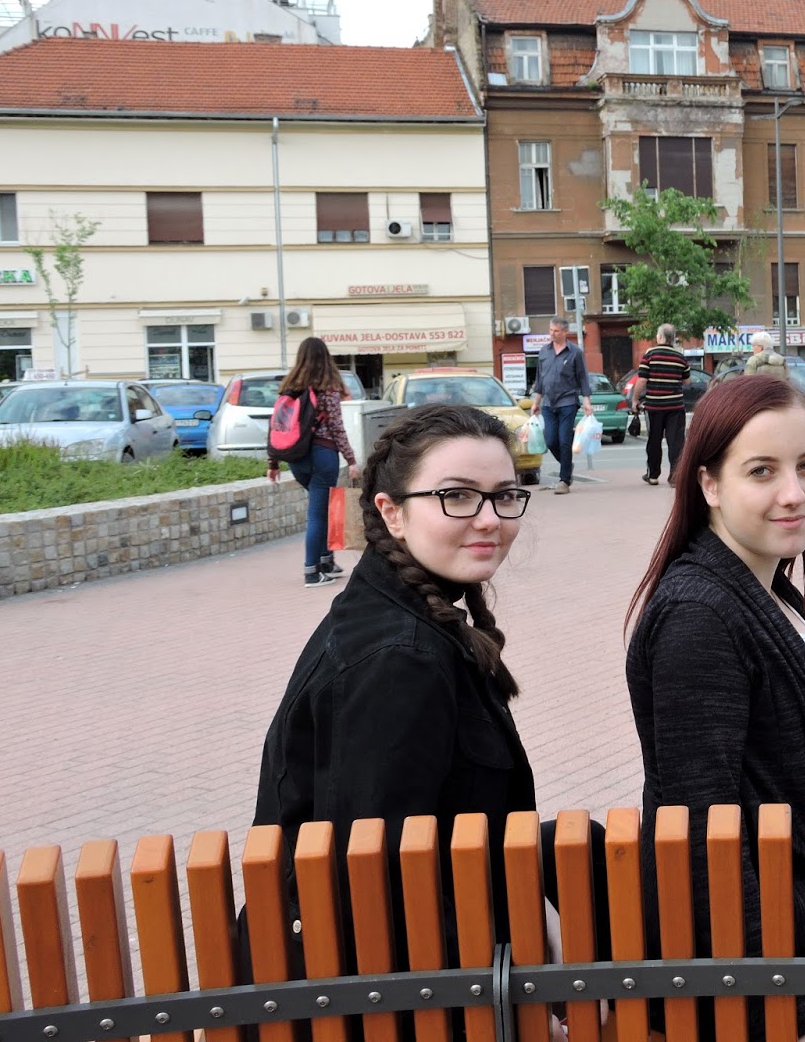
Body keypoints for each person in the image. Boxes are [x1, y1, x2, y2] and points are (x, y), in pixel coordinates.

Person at [253, 405, 602, 989]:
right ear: (391, 512)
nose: (489, 519)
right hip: (379, 999)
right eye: (456, 496)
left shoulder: (403, 615)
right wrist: (504, 998)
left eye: (503, 495)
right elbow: (375, 888)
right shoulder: (398, 661)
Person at [625, 376, 805, 1039]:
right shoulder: (699, 616)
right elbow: (703, 831)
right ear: (708, 484)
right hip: (775, 942)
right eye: (762, 471)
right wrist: (778, 1006)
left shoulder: (764, 588)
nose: (795, 493)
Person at [267, 337, 361, 587]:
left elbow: (277, 425)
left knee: (323, 508)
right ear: (325, 358)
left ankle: (326, 561)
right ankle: (311, 571)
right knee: (319, 514)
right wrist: (351, 459)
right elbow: (336, 427)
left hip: (296, 458)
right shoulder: (327, 388)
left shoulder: (290, 389)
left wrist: (273, 463)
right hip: (323, 455)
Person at [529, 316, 593, 495]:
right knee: (550, 441)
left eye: (556, 331)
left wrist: (586, 400)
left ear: (565, 332)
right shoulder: (544, 351)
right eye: (550, 330)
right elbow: (540, 380)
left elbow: (583, 378)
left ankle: (564, 480)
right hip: (548, 403)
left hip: (568, 402)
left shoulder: (575, 352)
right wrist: (536, 402)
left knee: (565, 441)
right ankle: (567, 465)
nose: (552, 334)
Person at [631, 323, 691, 486]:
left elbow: (642, 380)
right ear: (673, 338)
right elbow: (687, 381)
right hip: (676, 407)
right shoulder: (680, 356)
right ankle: (675, 476)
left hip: (654, 406)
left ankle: (653, 475)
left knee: (654, 441)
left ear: (659, 337)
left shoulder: (650, 354)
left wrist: (635, 400)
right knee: (676, 442)